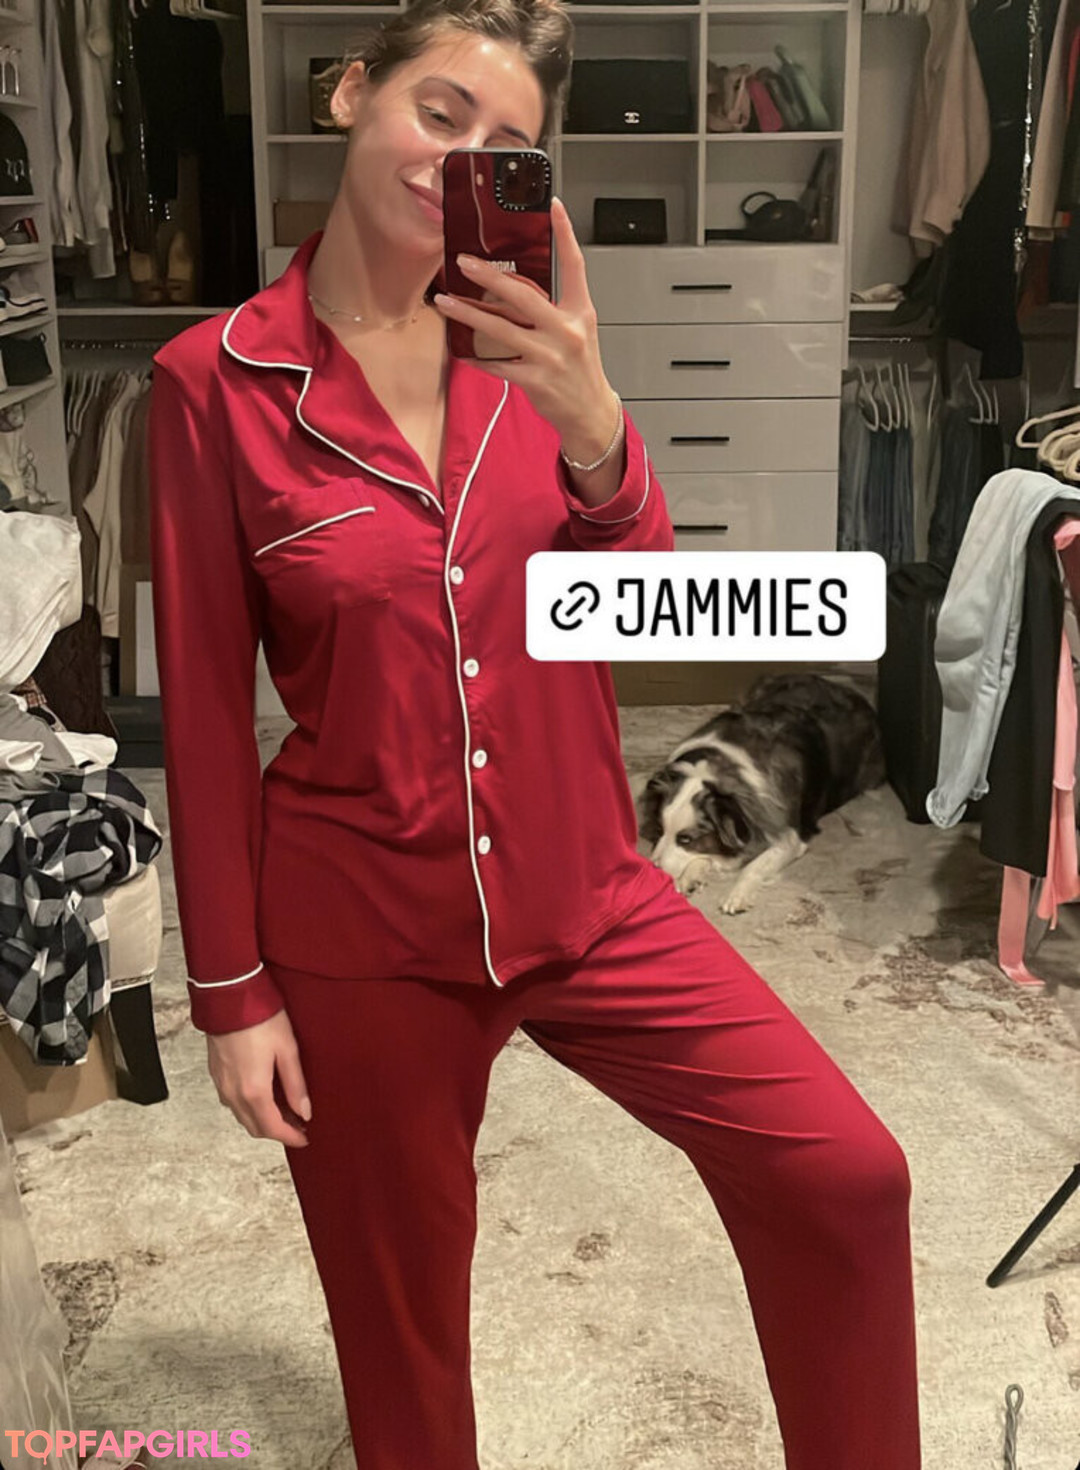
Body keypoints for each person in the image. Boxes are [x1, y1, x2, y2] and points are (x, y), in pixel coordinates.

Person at [147, 1, 922, 1466]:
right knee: (403, 1336)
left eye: (507, 145)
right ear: (353, 93)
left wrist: (595, 422)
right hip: (365, 923)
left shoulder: (535, 350)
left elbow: (632, 607)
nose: (460, 162)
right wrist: (232, 993)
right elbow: (197, 710)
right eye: (439, 114)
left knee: (845, 1175)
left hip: (589, 887)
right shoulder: (213, 383)